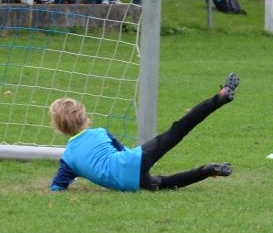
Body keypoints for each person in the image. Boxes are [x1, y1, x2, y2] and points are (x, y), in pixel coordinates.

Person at [49, 72, 240, 192]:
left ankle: (206, 171)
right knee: (178, 129)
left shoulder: (68, 158)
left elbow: (57, 186)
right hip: (134, 160)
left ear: (58, 127)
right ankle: (220, 98)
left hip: (126, 185)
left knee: (164, 183)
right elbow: (122, 150)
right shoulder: (100, 132)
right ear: (85, 117)